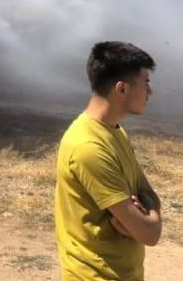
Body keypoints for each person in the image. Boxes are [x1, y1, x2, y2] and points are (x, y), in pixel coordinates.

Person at [55, 41, 161, 281]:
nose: (150, 92)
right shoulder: (88, 147)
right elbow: (150, 234)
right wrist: (150, 220)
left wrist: (148, 214)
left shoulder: (115, 131)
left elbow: (147, 193)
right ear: (121, 89)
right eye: (145, 83)